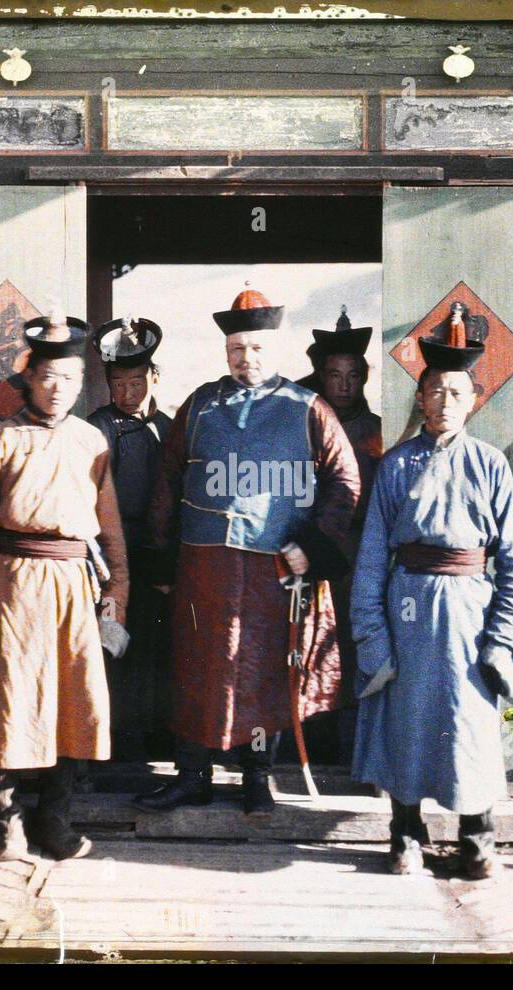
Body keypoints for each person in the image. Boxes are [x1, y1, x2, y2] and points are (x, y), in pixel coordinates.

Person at [135, 286, 360, 814]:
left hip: (273, 569)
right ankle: (193, 774)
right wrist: (163, 560)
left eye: (256, 348)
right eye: (237, 349)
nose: (246, 359)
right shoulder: (199, 407)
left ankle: (258, 777)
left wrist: (311, 546)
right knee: (196, 666)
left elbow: (344, 480)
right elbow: (167, 482)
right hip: (202, 566)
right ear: (226, 351)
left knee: (262, 669)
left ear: (273, 349)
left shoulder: (307, 408)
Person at [350, 304, 513, 879]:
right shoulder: (396, 466)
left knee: (469, 723)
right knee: (406, 722)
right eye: (434, 391)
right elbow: (372, 560)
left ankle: (477, 840)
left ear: (472, 399)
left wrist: (502, 641)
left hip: (470, 615)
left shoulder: (491, 465)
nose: (444, 403)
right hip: (407, 613)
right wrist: (372, 638)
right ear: (421, 397)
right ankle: (405, 834)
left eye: (456, 393)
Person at [0, 307, 130, 862]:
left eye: (70, 378)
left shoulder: (92, 443)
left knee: (74, 699)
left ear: (81, 383)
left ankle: (56, 818)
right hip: (15, 585)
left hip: (75, 583)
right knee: (11, 699)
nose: (58, 389)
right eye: (48, 377)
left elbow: (112, 531)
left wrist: (116, 596)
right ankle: (7, 824)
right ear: (29, 378)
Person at [295, 308, 383, 760]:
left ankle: (349, 746)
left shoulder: (376, 433)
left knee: (348, 643)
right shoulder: (303, 424)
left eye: (352, 375)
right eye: (334, 374)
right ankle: (301, 740)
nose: (344, 384)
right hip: (305, 551)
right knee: (302, 642)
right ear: (322, 376)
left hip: (356, 554)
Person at [86, 316, 174, 760]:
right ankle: (111, 742)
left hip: (157, 555)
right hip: (109, 554)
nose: (127, 393)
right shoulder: (97, 427)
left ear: (153, 377)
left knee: (155, 647)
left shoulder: (171, 427)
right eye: (118, 383)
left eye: (136, 381)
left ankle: (152, 739)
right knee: (109, 644)